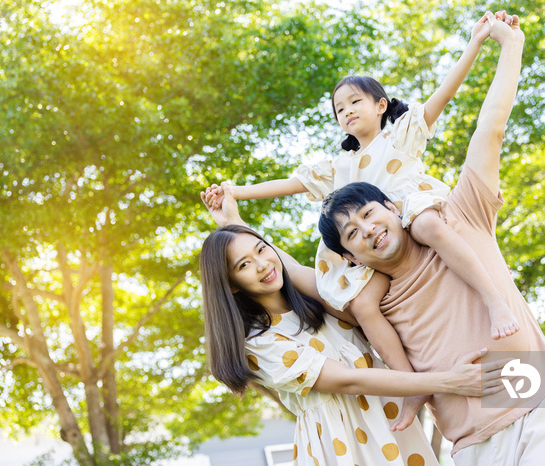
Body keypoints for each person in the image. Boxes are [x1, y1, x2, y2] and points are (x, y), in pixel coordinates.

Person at [317, 13, 545, 466]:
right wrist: (231, 215)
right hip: (469, 448)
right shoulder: (371, 300)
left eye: (370, 214)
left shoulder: (458, 217)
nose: (368, 230)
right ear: (349, 256)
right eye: (353, 233)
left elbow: (491, 127)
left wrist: (510, 45)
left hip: (538, 414)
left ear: (392, 208)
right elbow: (274, 277)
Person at [205, 11, 520, 393]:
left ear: (381, 105)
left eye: (356, 101)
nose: (348, 110)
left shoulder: (401, 135)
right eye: (340, 109)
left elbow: (445, 92)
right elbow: (292, 183)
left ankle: (493, 299)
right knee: (364, 306)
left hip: (407, 213)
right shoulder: (339, 166)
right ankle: (411, 385)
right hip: (368, 245)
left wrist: (475, 44)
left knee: (428, 226)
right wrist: (237, 192)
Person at [199, 189, 507, 466]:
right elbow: (349, 381)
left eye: (262, 250)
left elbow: (289, 266)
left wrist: (233, 221)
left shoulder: (315, 302)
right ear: (232, 285)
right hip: (342, 444)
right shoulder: (260, 343)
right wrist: (448, 382)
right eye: (243, 265)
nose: (262, 264)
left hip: (386, 423)